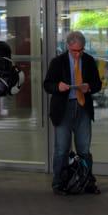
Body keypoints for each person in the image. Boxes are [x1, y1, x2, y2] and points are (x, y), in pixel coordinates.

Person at [43, 31, 102, 191]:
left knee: (84, 148)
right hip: (64, 108)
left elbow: (98, 84)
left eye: (81, 50)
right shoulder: (58, 62)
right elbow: (47, 84)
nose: (78, 54)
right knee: (62, 149)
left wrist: (88, 87)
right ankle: (59, 183)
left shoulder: (89, 61)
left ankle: (86, 181)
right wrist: (58, 87)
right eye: (75, 51)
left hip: (83, 107)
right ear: (68, 46)